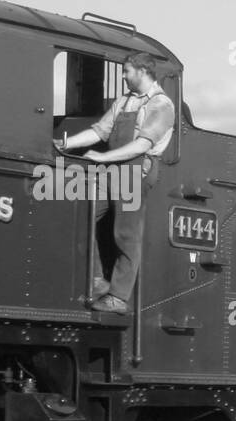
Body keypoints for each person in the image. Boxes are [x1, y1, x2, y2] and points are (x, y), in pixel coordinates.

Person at [57, 52, 175, 314]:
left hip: (135, 170)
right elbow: (99, 131)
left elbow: (142, 144)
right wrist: (65, 144)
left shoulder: (161, 105)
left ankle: (119, 297)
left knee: (126, 233)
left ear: (142, 72)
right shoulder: (124, 101)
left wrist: (103, 156)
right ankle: (98, 280)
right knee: (82, 214)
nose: (122, 76)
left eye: (126, 71)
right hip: (111, 170)